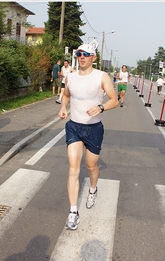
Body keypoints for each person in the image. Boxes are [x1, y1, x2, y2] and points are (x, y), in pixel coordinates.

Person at [58, 43, 118, 230]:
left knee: (91, 166)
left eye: (86, 54)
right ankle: (73, 212)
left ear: (94, 57)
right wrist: (62, 107)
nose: (81, 57)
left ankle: (93, 189)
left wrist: (101, 107)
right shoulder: (70, 76)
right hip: (74, 127)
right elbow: (66, 95)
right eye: (79, 54)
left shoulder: (102, 76)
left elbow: (114, 100)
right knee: (73, 167)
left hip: (94, 129)